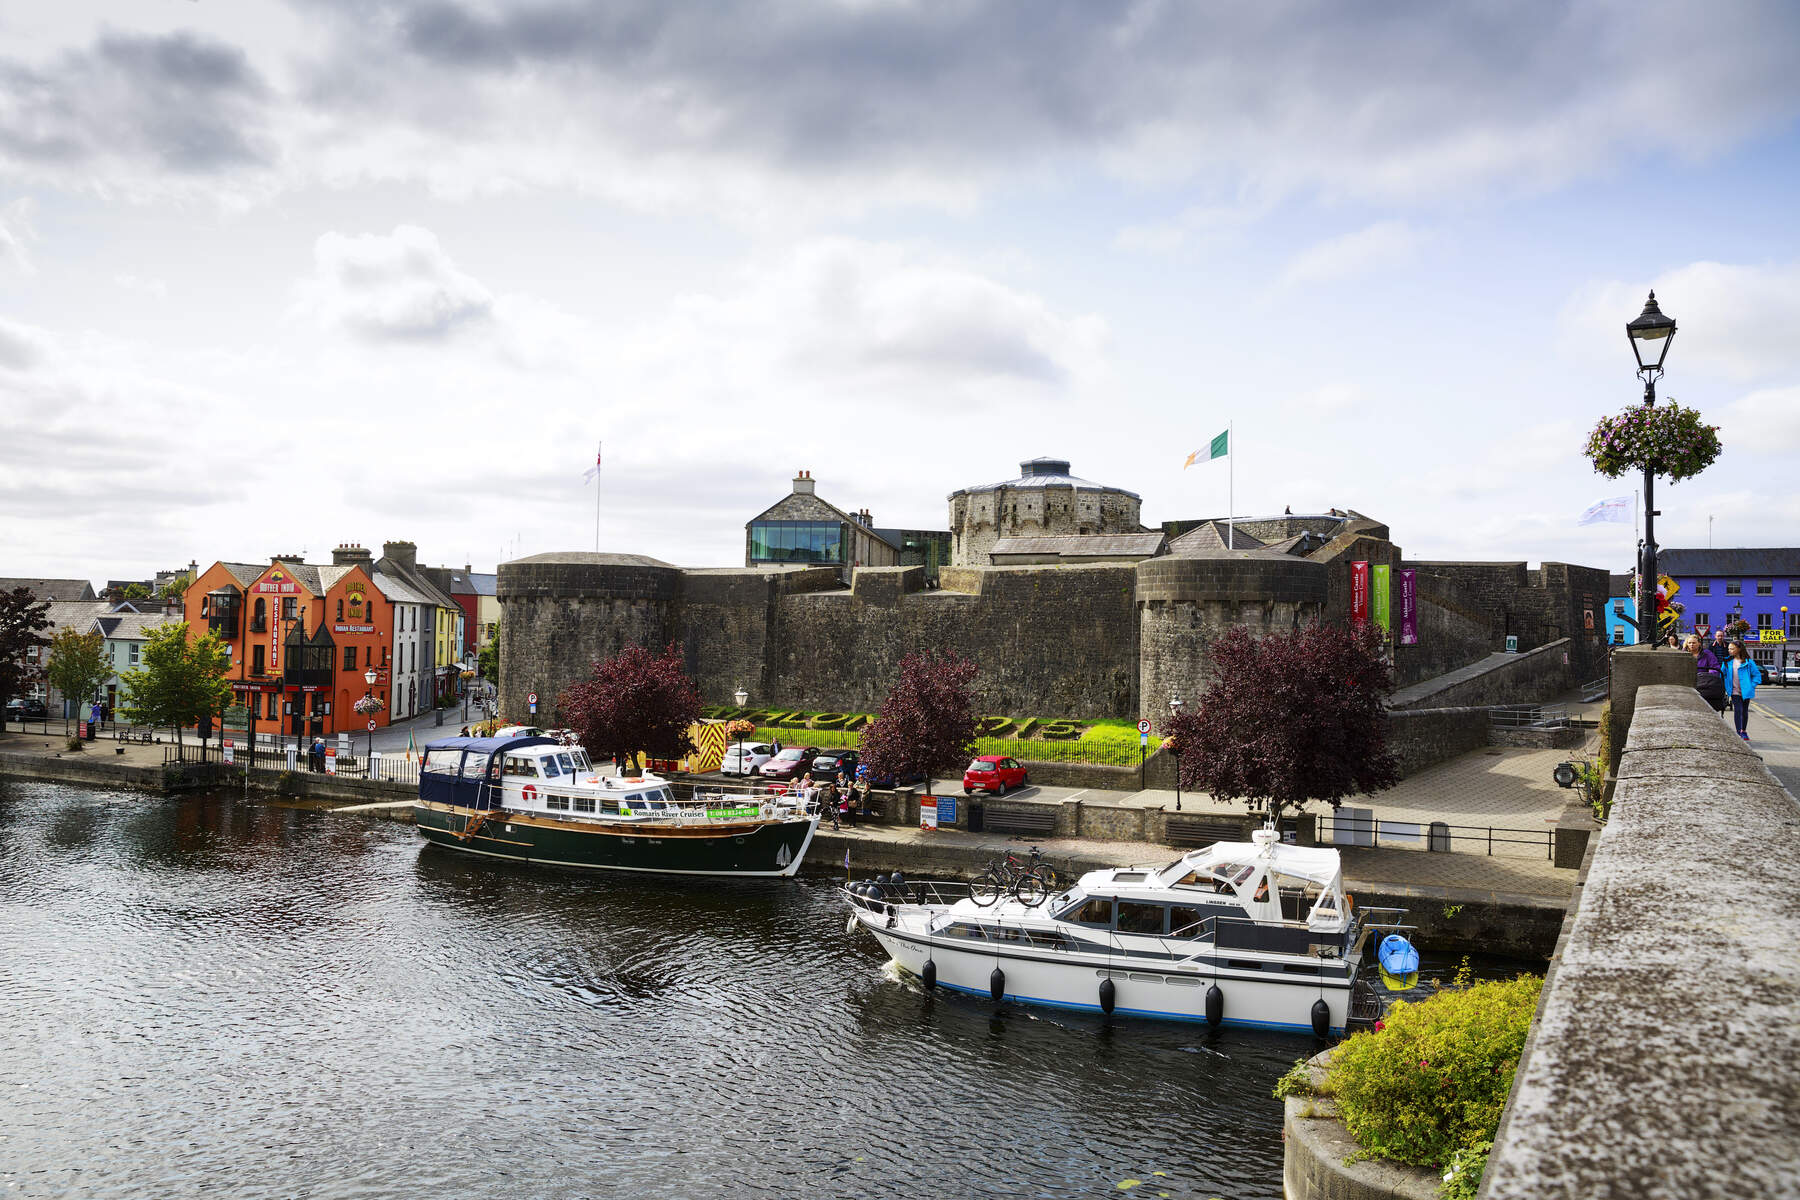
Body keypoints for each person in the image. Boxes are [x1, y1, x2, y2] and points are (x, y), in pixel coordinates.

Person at [1723, 640, 1763, 742]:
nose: (1729, 650)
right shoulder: (1727, 662)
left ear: (1739, 649)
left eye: (1732, 649)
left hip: (1746, 692)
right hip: (1734, 691)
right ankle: (1738, 733)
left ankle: (1743, 730)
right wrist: (1725, 685)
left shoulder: (1748, 662)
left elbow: (1757, 676)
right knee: (1738, 710)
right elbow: (1722, 674)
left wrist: (1751, 686)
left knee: (1744, 711)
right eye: (1729, 649)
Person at [1687, 635, 1727, 715]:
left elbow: (1715, 668)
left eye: (1694, 643)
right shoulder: (1683, 654)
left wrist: (1707, 675)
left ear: (1699, 644)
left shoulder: (1707, 654)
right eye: (1689, 643)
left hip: (1703, 684)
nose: (1691, 645)